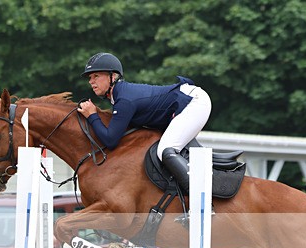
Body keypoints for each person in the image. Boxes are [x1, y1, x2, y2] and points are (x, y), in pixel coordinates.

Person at [77, 52, 212, 193]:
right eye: (90, 78)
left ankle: (200, 197)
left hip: (193, 102)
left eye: (96, 76)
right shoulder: (121, 95)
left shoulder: (124, 100)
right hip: (188, 100)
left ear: (113, 76)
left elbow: (110, 140)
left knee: (165, 150)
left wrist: (92, 115)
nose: (91, 81)